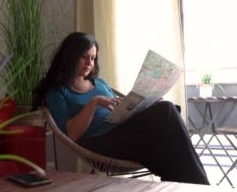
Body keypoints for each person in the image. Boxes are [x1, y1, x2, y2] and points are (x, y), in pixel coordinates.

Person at [32, 32, 210, 185]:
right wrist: (93, 103)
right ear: (70, 56)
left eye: (93, 58)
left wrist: (148, 102)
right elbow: (71, 134)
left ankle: (185, 187)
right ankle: (202, 187)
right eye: (84, 57)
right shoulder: (57, 92)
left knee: (166, 127)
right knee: (167, 114)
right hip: (99, 141)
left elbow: (122, 105)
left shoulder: (99, 82)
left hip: (123, 131)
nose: (89, 63)